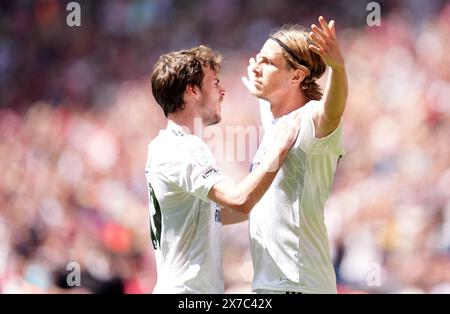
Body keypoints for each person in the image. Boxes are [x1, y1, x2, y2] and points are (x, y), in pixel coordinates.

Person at [145, 45, 301, 293]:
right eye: (215, 83)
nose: (223, 91)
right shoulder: (184, 148)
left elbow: (220, 214)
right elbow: (239, 200)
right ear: (192, 90)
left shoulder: (164, 145)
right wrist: (279, 147)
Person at [242, 16, 348, 294]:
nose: (257, 67)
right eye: (258, 59)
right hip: (267, 286)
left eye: (268, 62)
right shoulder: (275, 124)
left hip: (300, 286)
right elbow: (272, 112)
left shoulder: (311, 117)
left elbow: (332, 110)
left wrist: (338, 68)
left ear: (296, 75)